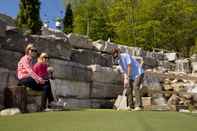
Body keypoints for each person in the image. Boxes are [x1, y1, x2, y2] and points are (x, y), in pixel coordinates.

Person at [17, 44, 54, 111]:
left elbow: (35, 74)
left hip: (30, 79)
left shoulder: (31, 60)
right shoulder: (24, 59)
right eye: (32, 50)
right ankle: (50, 103)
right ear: (28, 51)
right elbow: (30, 71)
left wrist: (43, 78)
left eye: (35, 51)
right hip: (23, 79)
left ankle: (45, 107)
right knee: (46, 84)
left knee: (46, 87)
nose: (34, 52)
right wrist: (39, 79)